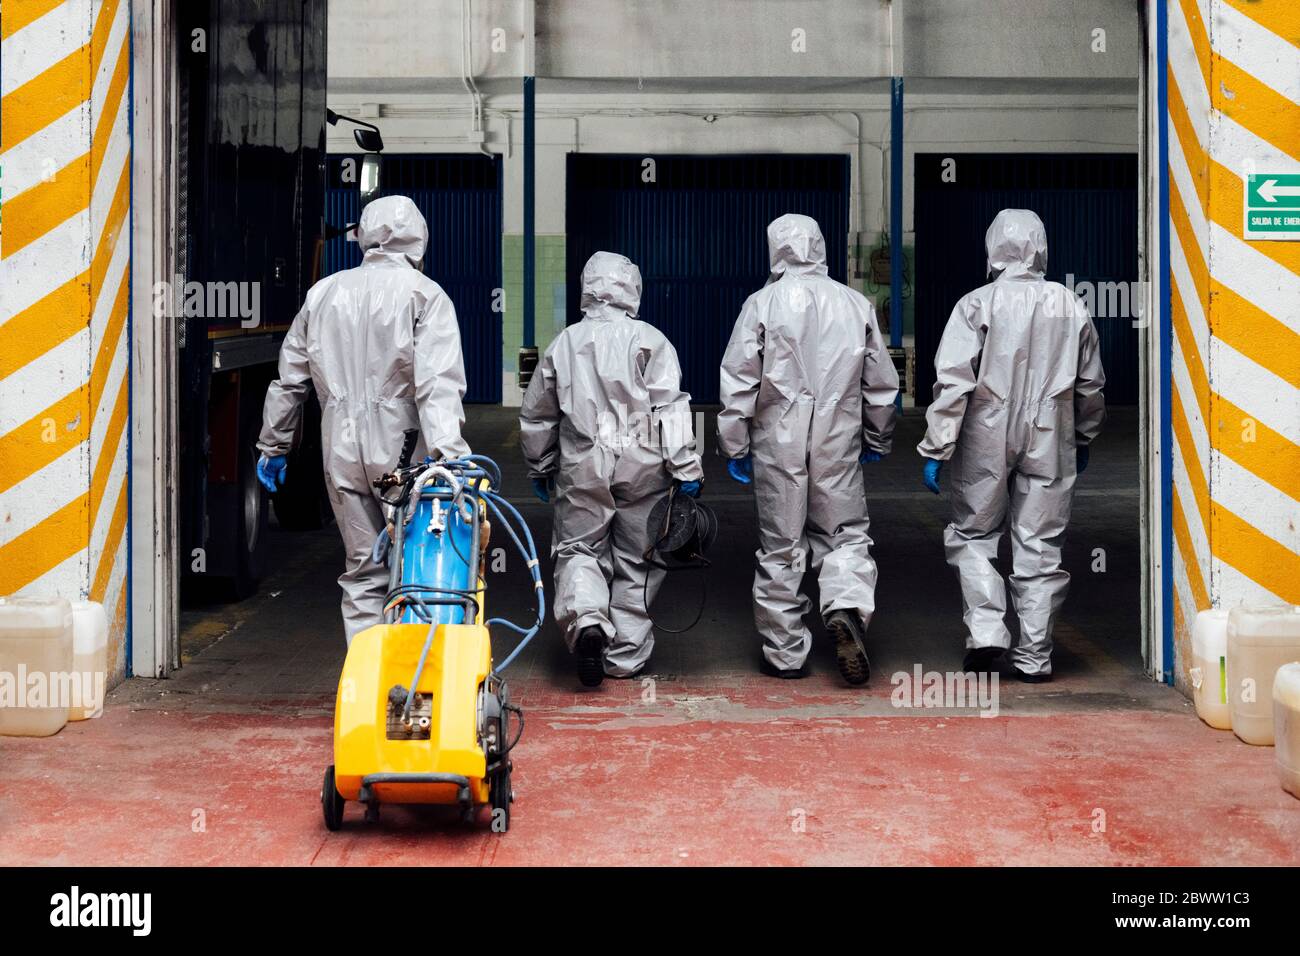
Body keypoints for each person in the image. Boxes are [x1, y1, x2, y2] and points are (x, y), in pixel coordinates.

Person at [256, 195, 469, 644]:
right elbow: (437, 386)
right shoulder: (425, 295)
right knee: (419, 562)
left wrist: (273, 445)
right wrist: (451, 458)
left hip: (340, 444)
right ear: (419, 239)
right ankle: (416, 682)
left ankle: (369, 681)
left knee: (363, 568)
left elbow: (289, 379)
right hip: (403, 446)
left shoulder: (324, 292)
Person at [917, 208, 1106, 682]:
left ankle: (986, 633)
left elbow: (954, 382)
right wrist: (1082, 436)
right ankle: (1035, 657)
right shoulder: (1070, 303)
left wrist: (938, 446)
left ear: (992, 247)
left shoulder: (976, 304)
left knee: (974, 534)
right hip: (1051, 430)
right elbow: (1090, 384)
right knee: (1040, 543)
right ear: (1041, 245)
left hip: (986, 429)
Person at [718, 214, 898, 684]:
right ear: (821, 245)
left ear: (775, 247)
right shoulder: (854, 303)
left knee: (781, 545)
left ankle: (785, 655)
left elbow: (739, 381)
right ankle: (844, 606)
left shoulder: (761, 304)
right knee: (844, 534)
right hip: (838, 433)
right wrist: (877, 437)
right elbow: (881, 384)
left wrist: (734, 446)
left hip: (778, 438)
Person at [521, 251, 703, 687]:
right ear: (631, 288)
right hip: (643, 463)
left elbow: (538, 414)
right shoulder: (651, 340)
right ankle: (623, 658)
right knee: (638, 558)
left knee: (579, 550)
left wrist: (541, 463)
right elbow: (670, 408)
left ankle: (587, 621)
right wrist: (685, 467)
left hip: (583, 462)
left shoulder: (565, 342)